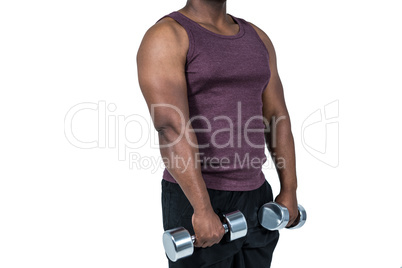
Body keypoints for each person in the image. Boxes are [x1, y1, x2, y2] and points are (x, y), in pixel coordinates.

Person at [137, 0, 300, 267]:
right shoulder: (168, 36)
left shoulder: (258, 37)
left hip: (257, 193)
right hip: (199, 195)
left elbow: (276, 117)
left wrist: (289, 189)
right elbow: (171, 128)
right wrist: (201, 209)